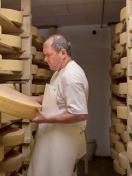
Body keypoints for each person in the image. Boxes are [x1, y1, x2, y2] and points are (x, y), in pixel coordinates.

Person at [27, 34, 89, 176]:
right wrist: (32, 99)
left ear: (62, 53)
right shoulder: (58, 72)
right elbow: (55, 96)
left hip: (63, 141)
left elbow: (79, 113)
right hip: (52, 138)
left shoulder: (72, 76)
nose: (45, 59)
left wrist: (45, 118)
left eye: (48, 55)